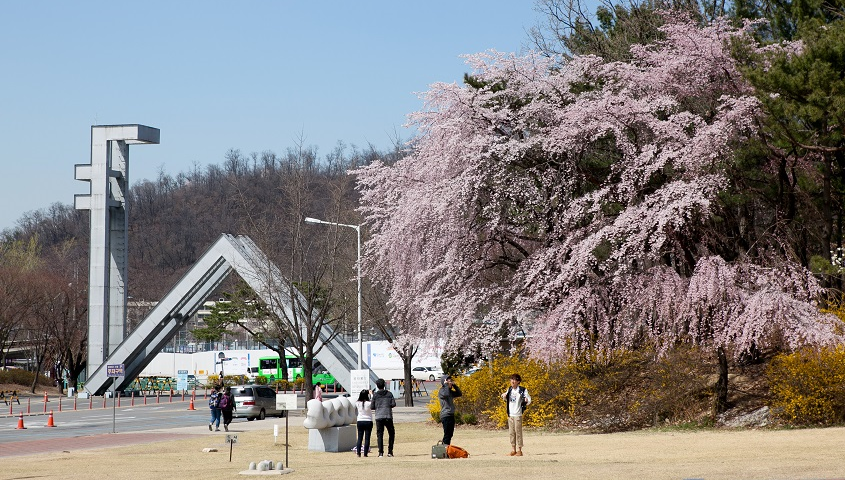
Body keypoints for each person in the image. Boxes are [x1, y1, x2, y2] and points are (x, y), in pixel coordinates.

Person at [501, 373, 531, 456]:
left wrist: (526, 400)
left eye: (514, 380)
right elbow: (505, 397)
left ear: (518, 381)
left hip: (518, 413)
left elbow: (529, 400)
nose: (512, 381)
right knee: (511, 432)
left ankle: (519, 450)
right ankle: (513, 449)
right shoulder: (510, 389)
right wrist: (504, 396)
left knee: (518, 432)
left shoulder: (522, 390)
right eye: (511, 379)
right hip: (510, 414)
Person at [370, 378, 396, 457]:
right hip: (388, 415)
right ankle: (390, 451)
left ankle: (380, 452)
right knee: (391, 433)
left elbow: (372, 406)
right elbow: (393, 404)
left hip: (379, 416)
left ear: (377, 386)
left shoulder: (375, 395)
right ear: (384, 385)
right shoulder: (389, 394)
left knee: (380, 434)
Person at [438, 375, 462, 445]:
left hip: (451, 414)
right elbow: (446, 394)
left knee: (450, 434)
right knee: (447, 434)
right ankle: (444, 450)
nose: (450, 382)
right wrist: (446, 385)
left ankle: (445, 449)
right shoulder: (442, 391)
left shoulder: (449, 391)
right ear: (444, 382)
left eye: (451, 381)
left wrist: (455, 386)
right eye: (449, 381)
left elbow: (459, 394)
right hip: (445, 415)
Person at [355, 389, 374, 457]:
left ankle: (358, 453)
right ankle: (365, 453)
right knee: (367, 438)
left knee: (360, 438)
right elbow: (373, 401)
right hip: (368, 420)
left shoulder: (357, 403)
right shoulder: (369, 403)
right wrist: (371, 394)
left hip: (360, 420)